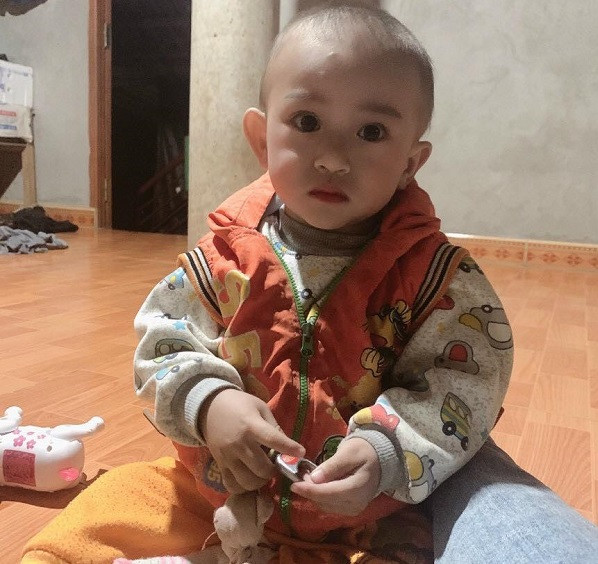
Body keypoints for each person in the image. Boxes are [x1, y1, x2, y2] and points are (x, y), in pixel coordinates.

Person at [21, 4, 598, 563]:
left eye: (371, 131)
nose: (333, 157)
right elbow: (162, 341)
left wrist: (386, 450)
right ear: (261, 138)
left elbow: (465, 381)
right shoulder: (224, 255)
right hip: (219, 497)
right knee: (87, 525)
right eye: (307, 122)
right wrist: (209, 402)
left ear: (410, 162)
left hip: (378, 517)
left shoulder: (436, 278)